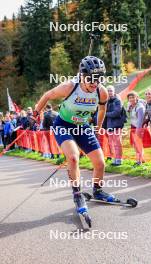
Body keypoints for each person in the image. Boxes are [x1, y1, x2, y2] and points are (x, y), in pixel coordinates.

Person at [34, 56, 118, 214]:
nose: (94, 83)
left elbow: (102, 109)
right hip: (63, 125)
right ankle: (77, 194)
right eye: (91, 79)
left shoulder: (102, 92)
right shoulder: (69, 86)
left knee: (100, 163)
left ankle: (98, 191)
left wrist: (98, 127)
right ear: (82, 76)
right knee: (73, 157)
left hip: (83, 126)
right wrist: (35, 114)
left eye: (98, 80)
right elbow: (47, 95)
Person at [104, 85, 126, 166]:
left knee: (117, 143)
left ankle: (119, 159)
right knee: (112, 143)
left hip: (117, 125)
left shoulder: (117, 101)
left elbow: (116, 112)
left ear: (114, 92)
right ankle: (115, 158)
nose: (109, 92)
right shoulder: (106, 102)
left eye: (110, 90)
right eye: (108, 91)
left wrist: (105, 114)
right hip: (109, 126)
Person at [127, 92, 145, 166]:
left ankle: (139, 161)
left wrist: (138, 130)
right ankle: (141, 159)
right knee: (135, 144)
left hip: (138, 127)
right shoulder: (131, 106)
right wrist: (128, 108)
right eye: (130, 98)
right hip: (133, 126)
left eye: (133, 97)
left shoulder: (140, 107)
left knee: (138, 144)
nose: (131, 99)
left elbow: (140, 120)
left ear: (137, 97)